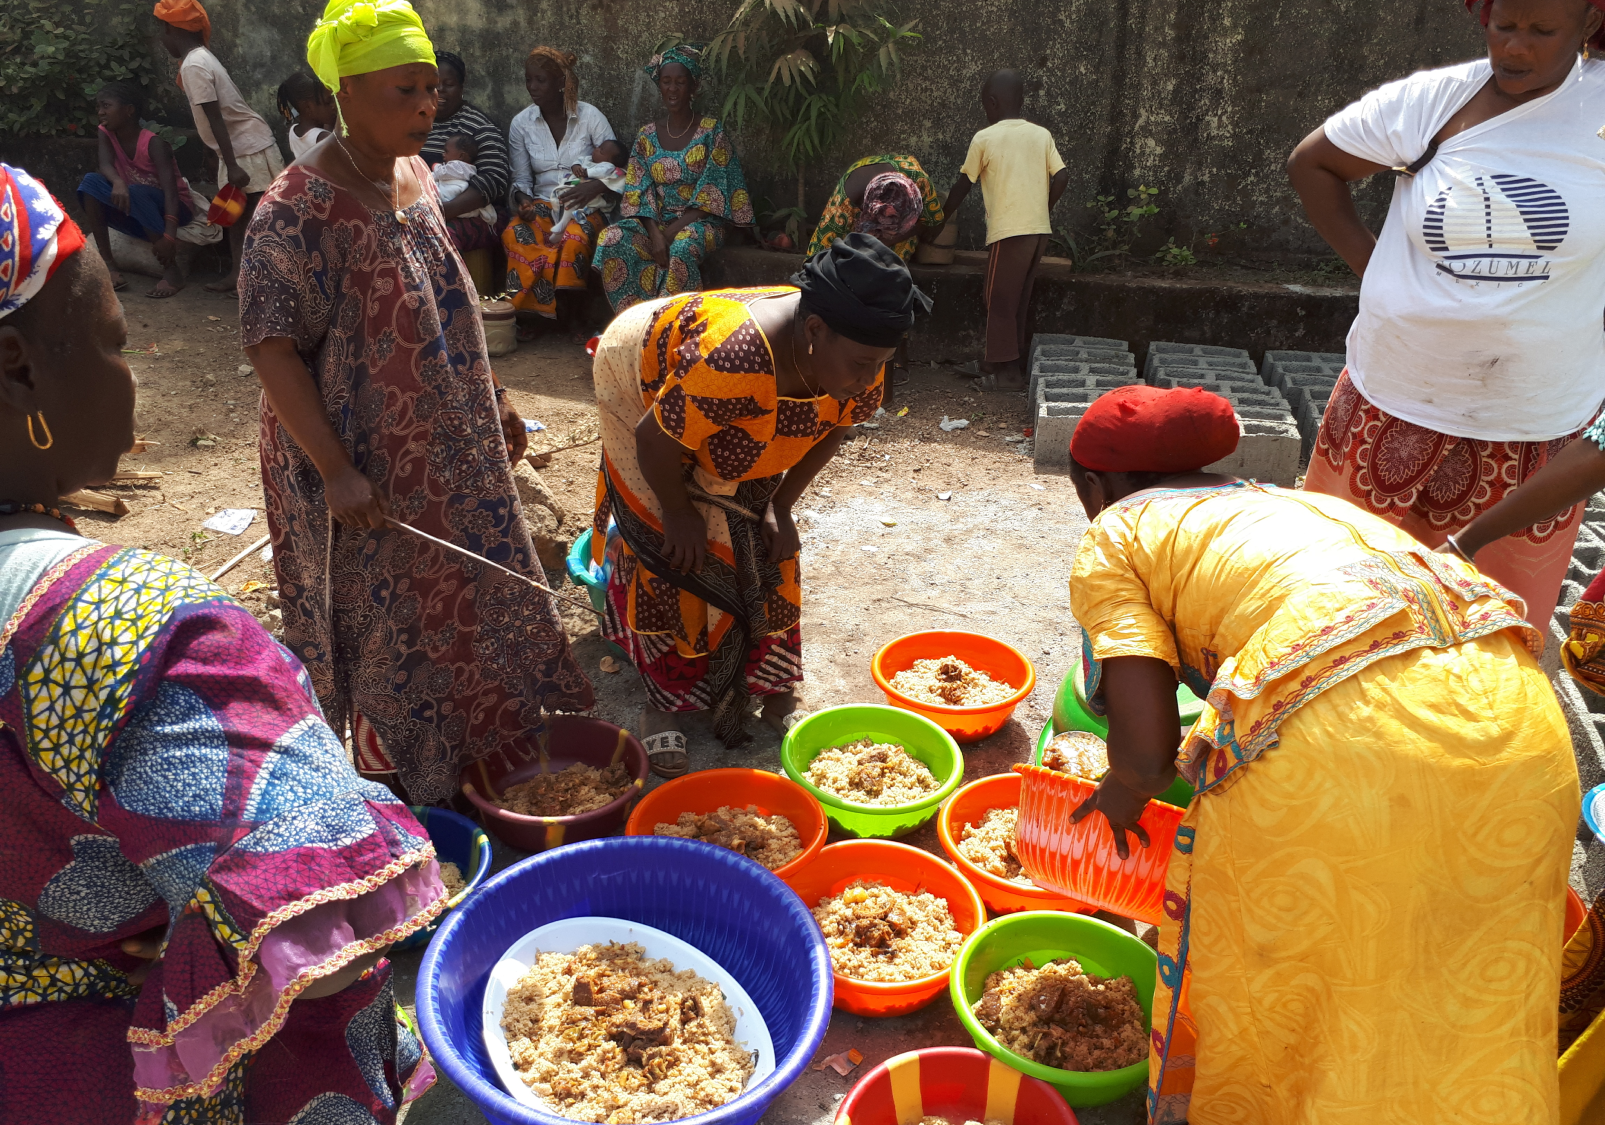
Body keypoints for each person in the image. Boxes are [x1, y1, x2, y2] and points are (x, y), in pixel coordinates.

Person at [0, 162, 445, 1125]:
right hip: (117, 1079)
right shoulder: (130, 626)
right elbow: (325, 937)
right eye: (116, 344)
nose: (130, 379)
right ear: (18, 365)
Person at [1065, 384, 1577, 1124]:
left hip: (1350, 751)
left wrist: (1117, 794)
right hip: (1523, 724)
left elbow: (1144, 757)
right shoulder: (1298, 507)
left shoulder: (1114, 531)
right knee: (1462, 998)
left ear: (1090, 484)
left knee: (1287, 1009)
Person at [239, 0, 593, 803]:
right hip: (363, 473)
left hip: (451, 449)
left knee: (466, 599)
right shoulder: (292, 212)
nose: (427, 107)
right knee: (387, 623)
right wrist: (335, 470)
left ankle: (474, 757)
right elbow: (271, 346)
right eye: (406, 91)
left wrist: (495, 398)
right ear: (346, 94)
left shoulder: (415, 173)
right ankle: (399, 792)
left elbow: (453, 295)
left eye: (431, 90)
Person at [1287, 0, 1605, 628]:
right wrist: (1373, 269)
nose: (1516, 47)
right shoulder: (1432, 102)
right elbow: (1313, 163)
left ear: (1588, 24)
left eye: (1542, 31)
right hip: (1390, 404)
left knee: (1485, 640)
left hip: (1535, 427)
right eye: (1504, 25)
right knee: (1336, 616)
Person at [590, 235, 929, 775]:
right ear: (814, 330)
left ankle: (772, 686)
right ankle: (665, 702)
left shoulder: (860, 355)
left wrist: (782, 504)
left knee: (768, 548)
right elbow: (653, 439)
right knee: (674, 553)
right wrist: (677, 514)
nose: (871, 380)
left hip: (724, 406)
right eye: (864, 365)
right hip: (638, 375)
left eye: (881, 365)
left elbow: (833, 426)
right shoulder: (735, 362)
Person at [593, 44, 756, 315]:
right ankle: (635, 320)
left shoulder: (711, 132)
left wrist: (670, 233)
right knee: (612, 238)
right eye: (666, 82)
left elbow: (712, 193)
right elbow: (637, 190)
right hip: (655, 223)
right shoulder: (646, 136)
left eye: (681, 82)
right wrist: (656, 233)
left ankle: (673, 325)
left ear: (693, 87)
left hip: (701, 223)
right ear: (659, 86)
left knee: (682, 247)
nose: (673, 89)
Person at [937, 69, 1069, 390]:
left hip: (1010, 232)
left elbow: (962, 185)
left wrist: (939, 218)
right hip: (1038, 231)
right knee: (1016, 300)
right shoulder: (1041, 135)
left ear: (992, 103)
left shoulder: (985, 138)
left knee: (996, 299)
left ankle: (1008, 375)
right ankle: (993, 362)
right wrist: (1040, 210)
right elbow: (1062, 176)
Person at [155, 0, 285, 296]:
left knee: (257, 216)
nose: (162, 41)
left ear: (170, 29)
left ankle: (260, 278)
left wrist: (233, 163)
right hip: (241, 146)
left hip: (246, 149)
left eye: (162, 32)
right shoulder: (200, 58)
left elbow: (215, 117)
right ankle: (241, 276)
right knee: (239, 218)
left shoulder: (194, 64)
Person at [502, 47, 618, 329]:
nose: (533, 87)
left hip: (585, 205)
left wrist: (592, 189)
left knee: (574, 239)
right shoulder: (521, 123)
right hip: (544, 202)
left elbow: (616, 164)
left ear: (560, 83)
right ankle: (529, 316)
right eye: (529, 80)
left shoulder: (590, 116)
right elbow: (521, 178)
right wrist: (524, 201)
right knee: (517, 232)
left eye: (540, 80)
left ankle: (573, 315)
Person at [76, 80, 213, 299]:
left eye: (106, 106)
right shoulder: (105, 132)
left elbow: (171, 193)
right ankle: (109, 265)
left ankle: (171, 271)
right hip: (138, 208)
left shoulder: (153, 143)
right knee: (90, 182)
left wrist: (169, 237)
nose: (101, 112)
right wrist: (118, 182)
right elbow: (105, 165)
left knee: (138, 192)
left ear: (129, 110)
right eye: (98, 107)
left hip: (175, 210)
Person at [417, 50, 510, 253]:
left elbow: (494, 180)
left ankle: (452, 286)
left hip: (472, 214)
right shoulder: (413, 122)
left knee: (436, 236)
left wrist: (443, 212)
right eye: (434, 84)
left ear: (461, 88)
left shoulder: (478, 127)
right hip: (422, 209)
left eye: (448, 84)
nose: (440, 90)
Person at [806, 154, 945, 261]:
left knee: (889, 264)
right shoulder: (843, 205)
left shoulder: (920, 182)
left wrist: (891, 240)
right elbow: (814, 258)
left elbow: (933, 221)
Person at [546, 137, 628, 248]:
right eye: (598, 147)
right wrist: (576, 167)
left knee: (572, 202)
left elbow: (602, 172)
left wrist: (586, 172)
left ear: (609, 160)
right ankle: (559, 227)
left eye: (601, 151)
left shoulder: (608, 166)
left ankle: (562, 225)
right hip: (573, 187)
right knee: (557, 203)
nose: (596, 149)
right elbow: (577, 161)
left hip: (590, 196)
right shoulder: (587, 159)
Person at [431, 133, 498, 224]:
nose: (443, 155)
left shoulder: (458, 166)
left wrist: (435, 166)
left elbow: (442, 173)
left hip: (454, 192)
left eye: (446, 152)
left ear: (461, 156)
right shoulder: (469, 168)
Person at [275, 70, 337, 160]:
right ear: (308, 107)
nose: (334, 106)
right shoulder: (324, 139)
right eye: (327, 102)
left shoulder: (293, 132)